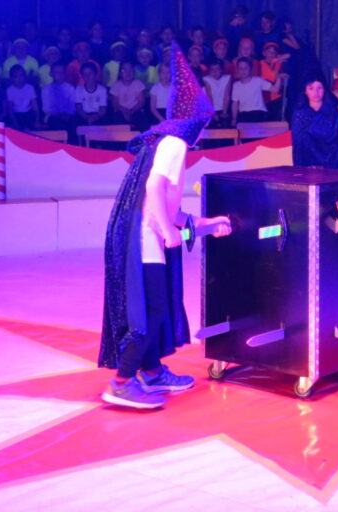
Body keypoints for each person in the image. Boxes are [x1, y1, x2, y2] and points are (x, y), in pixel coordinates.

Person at [99, 43, 232, 409]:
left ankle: (153, 371)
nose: (204, 131)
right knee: (153, 311)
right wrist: (170, 232)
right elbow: (154, 189)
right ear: (194, 121)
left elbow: (171, 211)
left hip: (148, 237)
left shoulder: (165, 141)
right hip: (145, 241)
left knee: (159, 308)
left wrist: (207, 225)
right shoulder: (175, 143)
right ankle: (121, 382)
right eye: (204, 123)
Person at [291, 75, 338, 169]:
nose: (316, 92)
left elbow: (337, 139)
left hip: (331, 160)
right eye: (311, 88)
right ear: (305, 91)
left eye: (319, 88)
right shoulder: (300, 113)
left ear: (324, 90)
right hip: (308, 161)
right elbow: (299, 143)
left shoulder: (332, 111)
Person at [230, 57, 284, 124]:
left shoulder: (258, 81)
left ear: (251, 69)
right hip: (243, 115)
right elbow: (235, 103)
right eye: (240, 68)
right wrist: (234, 119)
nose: (243, 71)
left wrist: (278, 78)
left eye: (245, 68)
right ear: (237, 70)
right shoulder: (236, 85)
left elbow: (275, 89)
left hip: (259, 113)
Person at [110, 61, 147, 128]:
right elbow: (115, 103)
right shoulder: (116, 85)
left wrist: (132, 111)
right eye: (125, 70)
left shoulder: (138, 83)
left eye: (130, 70)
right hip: (121, 111)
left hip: (136, 110)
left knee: (141, 119)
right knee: (117, 119)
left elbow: (141, 102)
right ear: (120, 73)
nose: (128, 72)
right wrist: (124, 111)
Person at [42, 61, 76, 132]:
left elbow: (72, 106)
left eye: (62, 72)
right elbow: (46, 108)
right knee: (56, 122)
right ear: (51, 74)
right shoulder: (46, 89)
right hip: (53, 116)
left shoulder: (70, 88)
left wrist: (68, 114)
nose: (60, 75)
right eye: (57, 72)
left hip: (68, 116)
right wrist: (59, 114)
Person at [5, 64, 39, 130]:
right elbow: (10, 109)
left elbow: (35, 106)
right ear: (11, 78)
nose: (19, 79)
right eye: (16, 77)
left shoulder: (30, 88)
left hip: (29, 113)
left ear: (25, 76)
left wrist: (36, 121)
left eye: (21, 75)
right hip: (17, 114)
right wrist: (15, 124)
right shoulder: (9, 90)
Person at [75, 61, 109, 125]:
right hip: (84, 115)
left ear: (95, 74)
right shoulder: (78, 89)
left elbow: (103, 109)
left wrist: (95, 117)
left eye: (90, 73)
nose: (88, 77)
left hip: (98, 115)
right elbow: (79, 108)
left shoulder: (102, 90)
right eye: (85, 75)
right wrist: (87, 117)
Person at [202, 60, 231, 127]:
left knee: (225, 123)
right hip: (211, 109)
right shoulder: (206, 79)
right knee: (212, 124)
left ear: (221, 70)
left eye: (217, 69)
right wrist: (213, 113)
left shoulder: (227, 78)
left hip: (224, 108)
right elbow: (209, 97)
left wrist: (224, 112)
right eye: (212, 69)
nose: (215, 72)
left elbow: (226, 96)